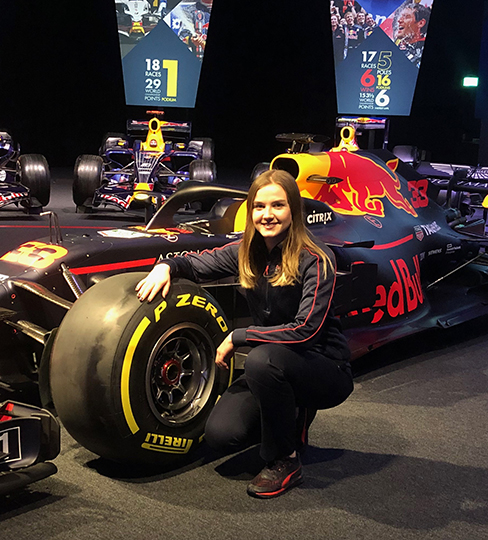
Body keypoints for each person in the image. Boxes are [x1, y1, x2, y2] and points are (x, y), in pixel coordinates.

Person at [136, 170, 353, 499]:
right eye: (259, 206)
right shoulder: (246, 251)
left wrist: (239, 336)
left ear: (293, 210)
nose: (267, 215)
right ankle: (290, 416)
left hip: (324, 367)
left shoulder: (316, 258)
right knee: (222, 435)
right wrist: (166, 267)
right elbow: (196, 264)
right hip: (275, 362)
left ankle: (285, 460)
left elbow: (305, 331)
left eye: (278, 205)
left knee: (261, 361)